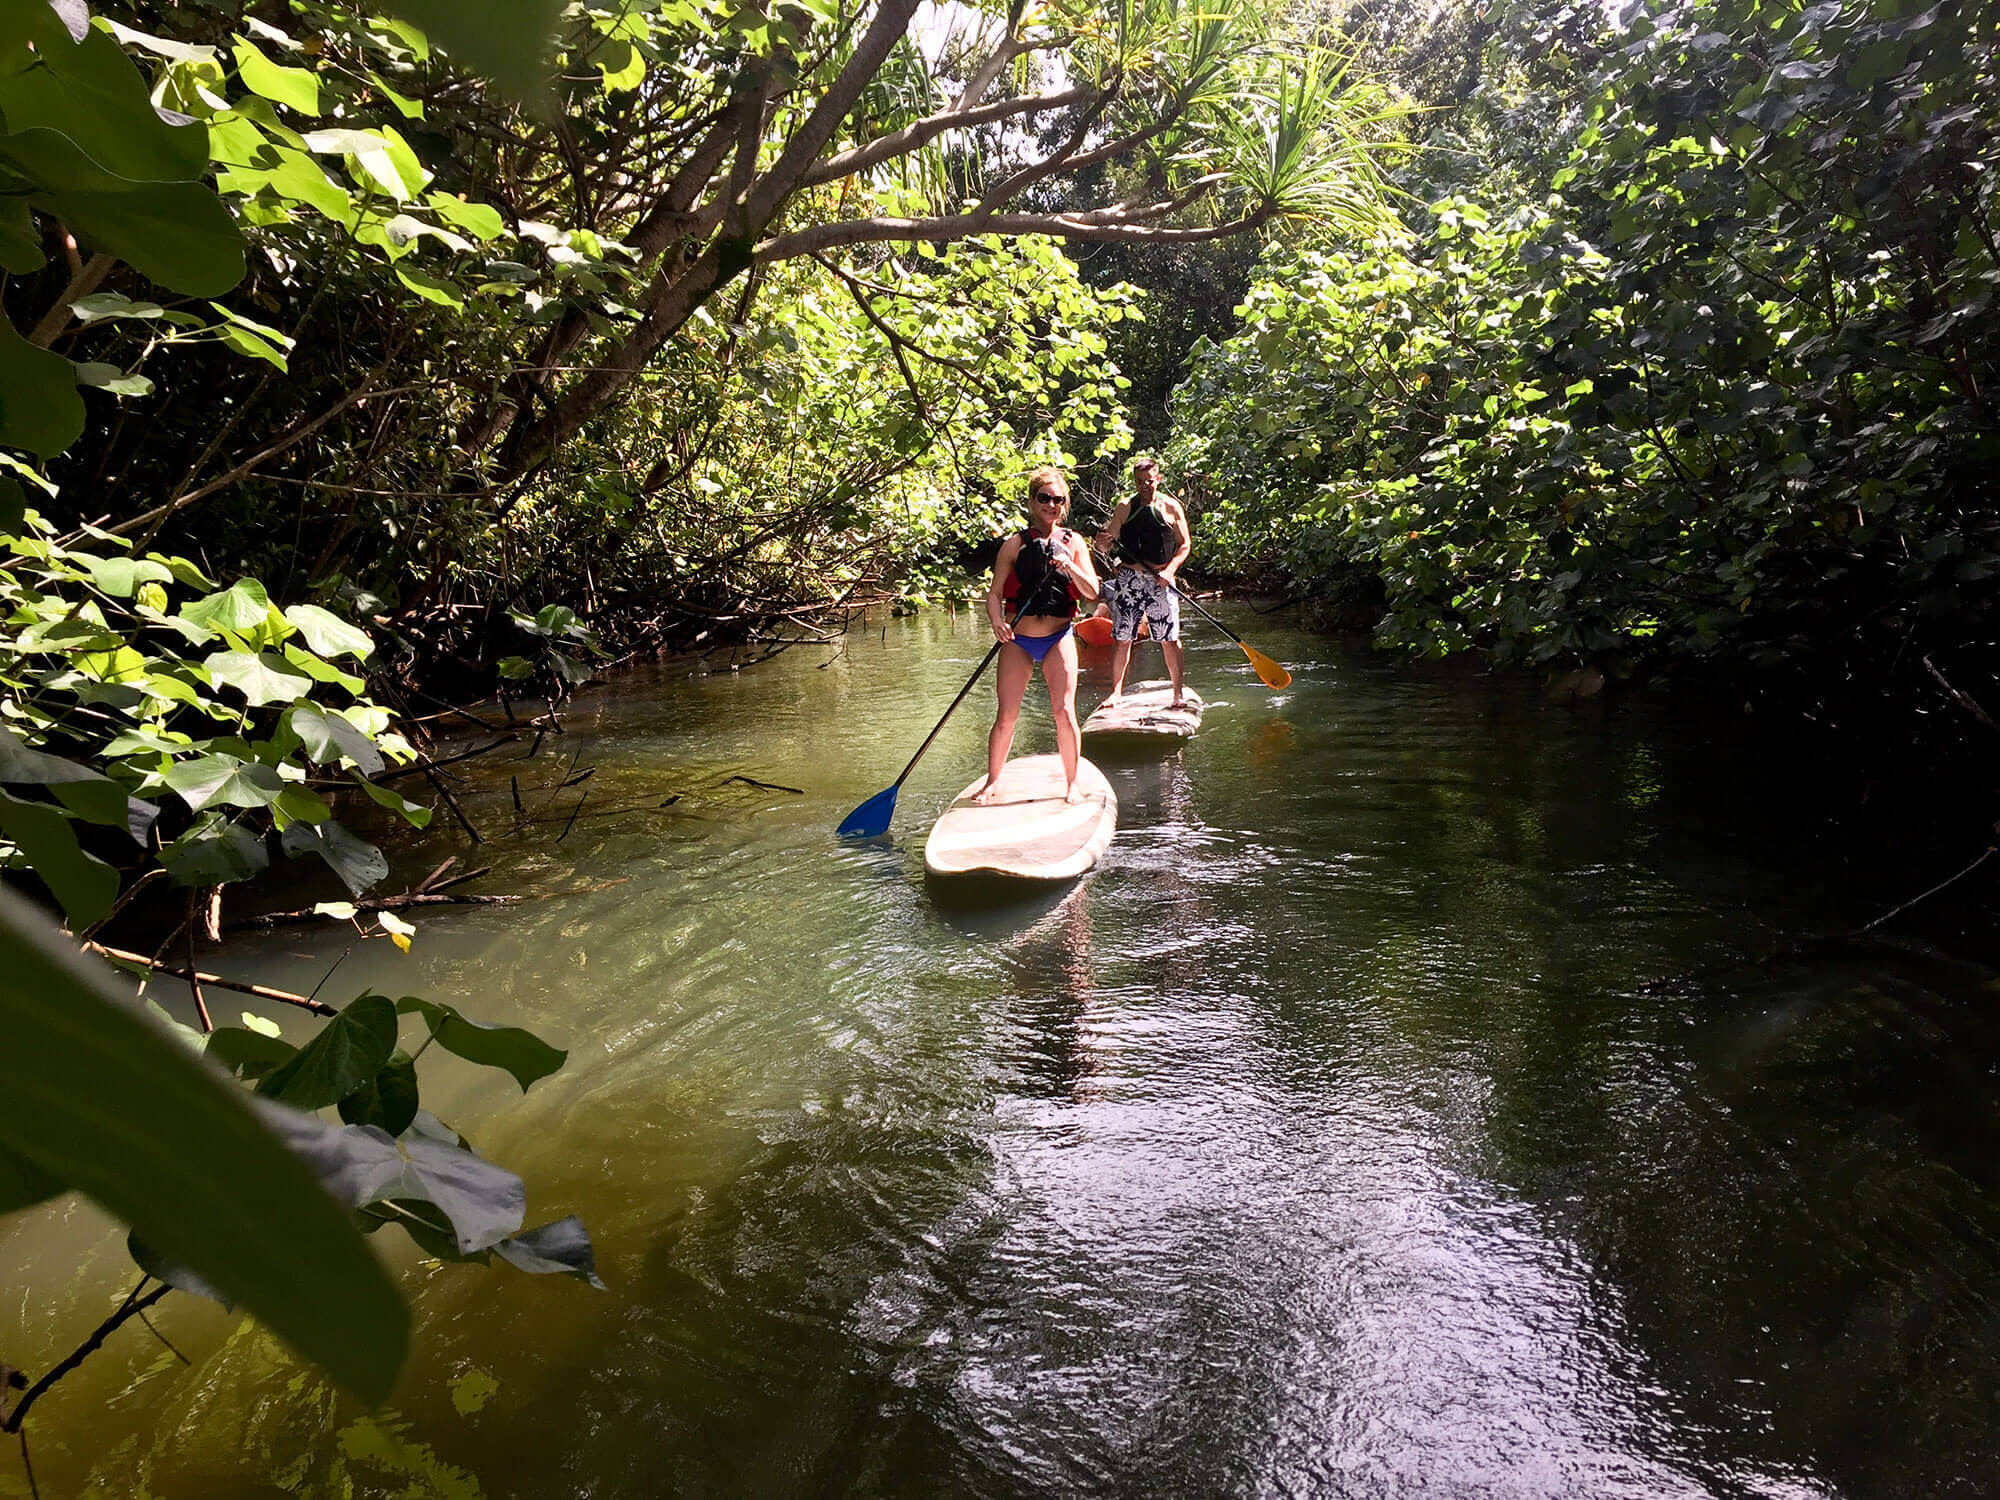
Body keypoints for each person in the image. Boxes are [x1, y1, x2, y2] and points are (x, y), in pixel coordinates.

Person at [977, 468, 1101, 804]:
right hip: (1017, 640)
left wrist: (1069, 566)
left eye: (1057, 500)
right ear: (1032, 502)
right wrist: (996, 622)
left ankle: (1072, 784)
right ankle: (992, 781)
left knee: (1063, 710)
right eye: (1044, 498)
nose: (1051, 505)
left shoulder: (1073, 543)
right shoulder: (1014, 545)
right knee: (1007, 715)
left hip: (1058, 636)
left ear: (1064, 505)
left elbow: (1092, 592)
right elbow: (994, 595)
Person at [1093, 456, 1191, 707]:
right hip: (1129, 579)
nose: (1145, 486)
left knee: (1170, 638)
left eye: (1149, 481)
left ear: (1158, 479)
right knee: (1123, 636)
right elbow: (1107, 542)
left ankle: (1177, 694)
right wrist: (1102, 543)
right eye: (1139, 482)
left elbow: (1185, 545)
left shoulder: (1171, 507)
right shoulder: (1125, 506)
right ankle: (1116, 693)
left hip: (1161, 580)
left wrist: (1170, 571)